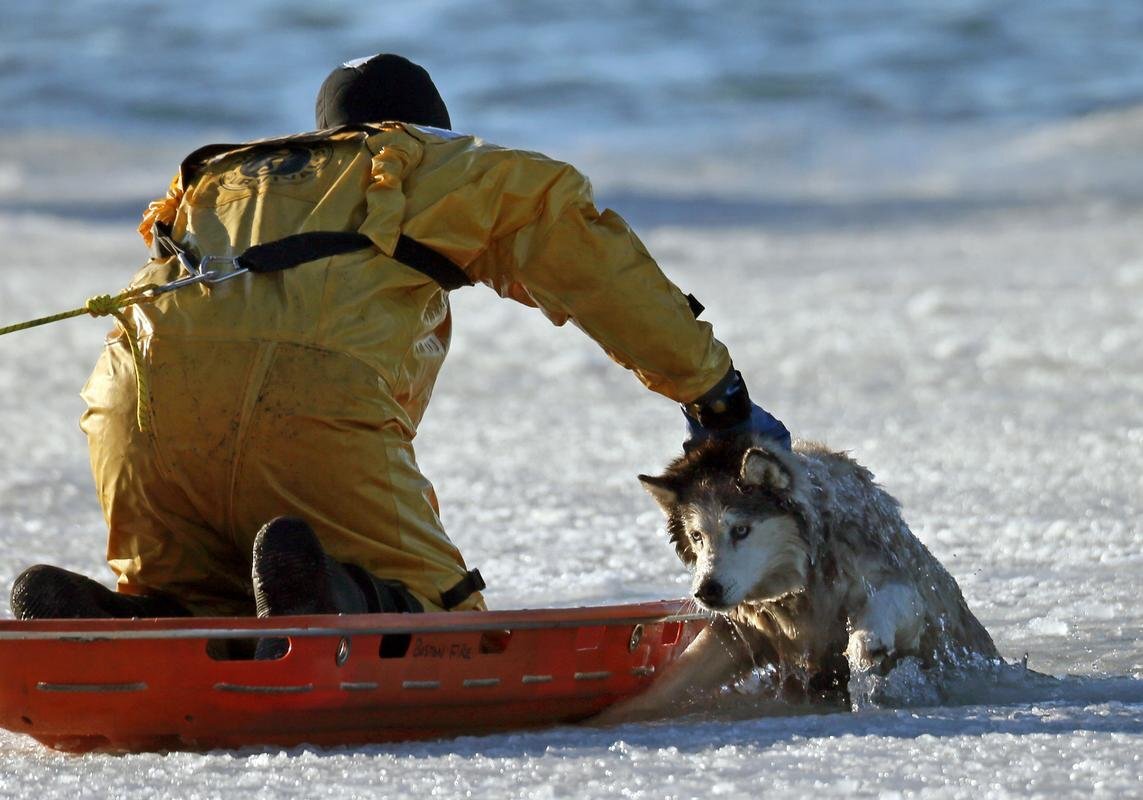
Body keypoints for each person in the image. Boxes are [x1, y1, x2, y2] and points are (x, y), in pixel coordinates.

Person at [10, 54, 790, 623]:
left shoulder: (217, 181)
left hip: (133, 413)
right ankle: (340, 598)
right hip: (309, 409)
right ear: (424, 125)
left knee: (208, 594)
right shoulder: (433, 163)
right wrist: (713, 394)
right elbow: (595, 268)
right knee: (441, 617)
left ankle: (136, 618)